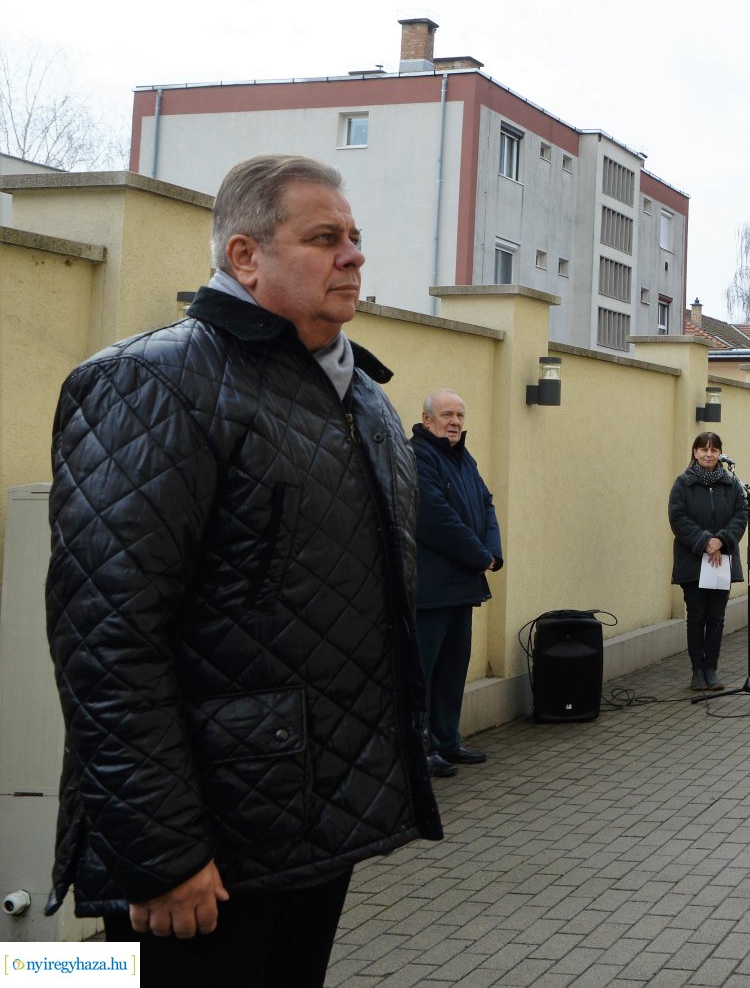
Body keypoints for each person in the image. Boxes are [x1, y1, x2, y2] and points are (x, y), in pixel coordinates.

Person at [43, 153, 441, 988]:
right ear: (245, 256)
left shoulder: (363, 399)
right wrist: (161, 851)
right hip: (200, 851)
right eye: (324, 238)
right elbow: (107, 639)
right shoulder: (151, 383)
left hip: (317, 822)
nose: (354, 255)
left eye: (355, 236)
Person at [412, 388, 504, 777]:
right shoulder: (418, 456)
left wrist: (493, 551)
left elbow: (486, 504)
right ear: (427, 419)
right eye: (447, 414)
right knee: (423, 672)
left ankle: (448, 740)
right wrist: (479, 556)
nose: (455, 422)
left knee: (453, 668)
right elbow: (434, 518)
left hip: (463, 585)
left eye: (460, 415)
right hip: (431, 588)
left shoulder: (464, 458)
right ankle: (421, 748)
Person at [668, 431, 747, 691]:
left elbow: (741, 514)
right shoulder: (683, 483)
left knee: (716, 618)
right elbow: (677, 518)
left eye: (714, 450)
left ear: (720, 453)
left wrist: (721, 540)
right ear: (695, 452)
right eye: (704, 449)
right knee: (696, 617)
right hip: (693, 561)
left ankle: (711, 669)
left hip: (721, 560)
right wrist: (705, 541)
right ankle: (697, 671)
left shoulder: (731, 484)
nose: (709, 454)